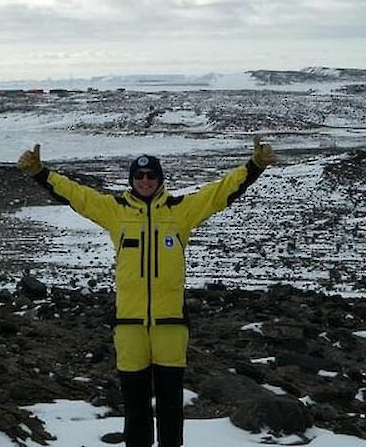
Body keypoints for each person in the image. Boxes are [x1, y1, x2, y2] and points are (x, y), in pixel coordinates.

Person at [17, 137, 275, 447]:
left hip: (170, 325)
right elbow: (78, 196)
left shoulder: (180, 212)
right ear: (132, 180)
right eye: (139, 176)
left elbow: (219, 193)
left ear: (160, 179)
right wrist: (39, 173)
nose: (145, 181)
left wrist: (255, 166)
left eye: (151, 175)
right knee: (135, 406)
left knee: (170, 405)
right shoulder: (116, 211)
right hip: (129, 326)